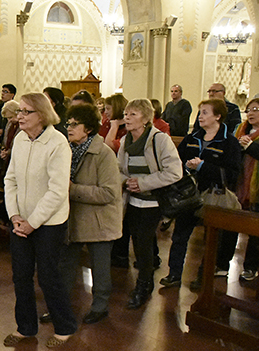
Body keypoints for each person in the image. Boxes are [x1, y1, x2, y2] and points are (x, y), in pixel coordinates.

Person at [3, 93, 77, 348]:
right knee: (20, 276)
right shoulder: (21, 139)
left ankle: (64, 327)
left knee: (47, 276)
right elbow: (9, 179)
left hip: (49, 224)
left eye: (26, 112)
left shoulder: (57, 143)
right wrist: (14, 215)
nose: (20, 116)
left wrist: (32, 222)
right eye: (20, 111)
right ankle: (25, 327)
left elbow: (57, 191)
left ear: (42, 115)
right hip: (21, 221)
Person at [160, 99, 242, 290]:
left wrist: (203, 166)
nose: (200, 116)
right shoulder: (192, 138)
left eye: (205, 112)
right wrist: (186, 166)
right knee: (180, 236)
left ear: (218, 116)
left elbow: (231, 174)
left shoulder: (229, 142)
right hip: (189, 195)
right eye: (200, 113)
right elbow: (176, 161)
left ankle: (203, 277)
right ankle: (174, 274)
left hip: (213, 195)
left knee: (211, 240)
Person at [60, 104, 122, 324]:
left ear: (88, 128)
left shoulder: (103, 153)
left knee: (100, 267)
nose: (69, 127)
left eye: (75, 124)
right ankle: (60, 307)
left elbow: (109, 193)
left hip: (99, 221)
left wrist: (72, 189)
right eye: (68, 123)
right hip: (73, 217)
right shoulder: (66, 150)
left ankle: (100, 306)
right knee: (66, 267)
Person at [117, 99, 182, 309]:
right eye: (126, 114)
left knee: (143, 245)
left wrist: (143, 183)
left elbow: (174, 171)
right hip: (132, 201)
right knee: (137, 243)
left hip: (153, 202)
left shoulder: (159, 140)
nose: (127, 118)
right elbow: (118, 169)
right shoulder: (126, 141)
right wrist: (126, 182)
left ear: (146, 119)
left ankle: (144, 287)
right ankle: (144, 281)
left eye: (133, 114)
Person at [235, 98, 259, 282]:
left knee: (256, 228)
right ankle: (223, 265)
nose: (250, 113)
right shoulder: (241, 130)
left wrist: (250, 147)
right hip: (240, 183)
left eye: (256, 109)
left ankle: (251, 267)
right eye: (248, 110)